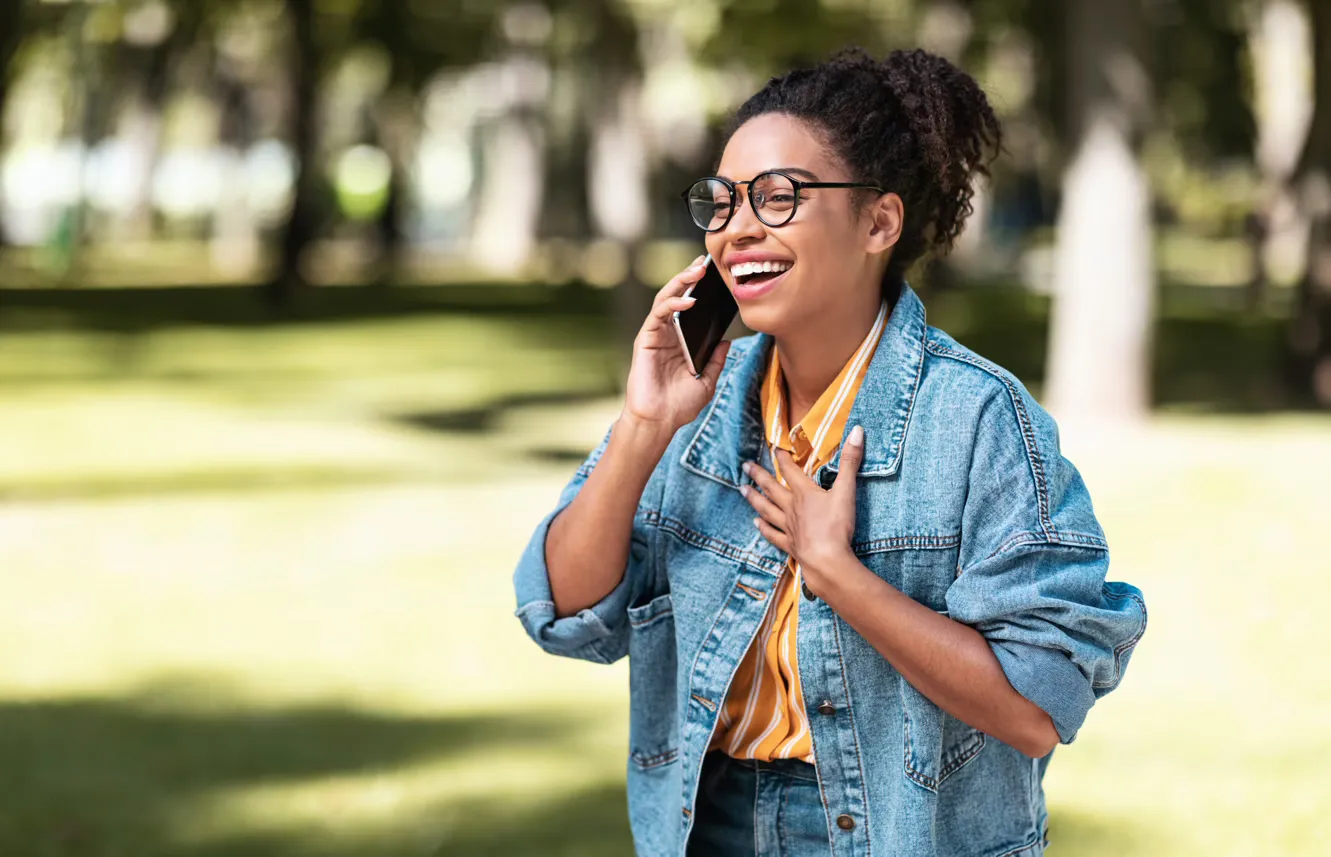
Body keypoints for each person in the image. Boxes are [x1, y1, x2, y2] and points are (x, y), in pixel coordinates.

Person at [513, 47, 1147, 857]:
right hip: (705, 825)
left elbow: (1033, 710)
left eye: (777, 197)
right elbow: (565, 614)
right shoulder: (697, 404)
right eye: (722, 201)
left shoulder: (977, 418)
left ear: (879, 222)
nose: (737, 227)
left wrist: (839, 575)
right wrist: (643, 425)